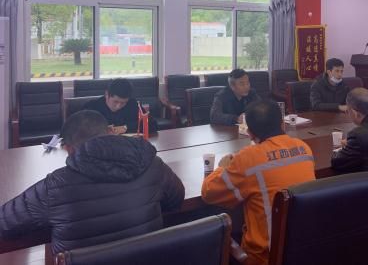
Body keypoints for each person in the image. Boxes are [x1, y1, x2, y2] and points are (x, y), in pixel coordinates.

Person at [0, 110, 185, 255]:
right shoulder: (152, 163)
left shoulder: (56, 186)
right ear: (111, 132)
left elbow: (5, 223)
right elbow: (176, 200)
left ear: (68, 149)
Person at [202, 100, 315, 265]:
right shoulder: (304, 148)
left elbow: (208, 193)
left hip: (264, 258)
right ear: (282, 124)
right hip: (304, 249)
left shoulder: (249, 158)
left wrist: (222, 167)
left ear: (250, 133)